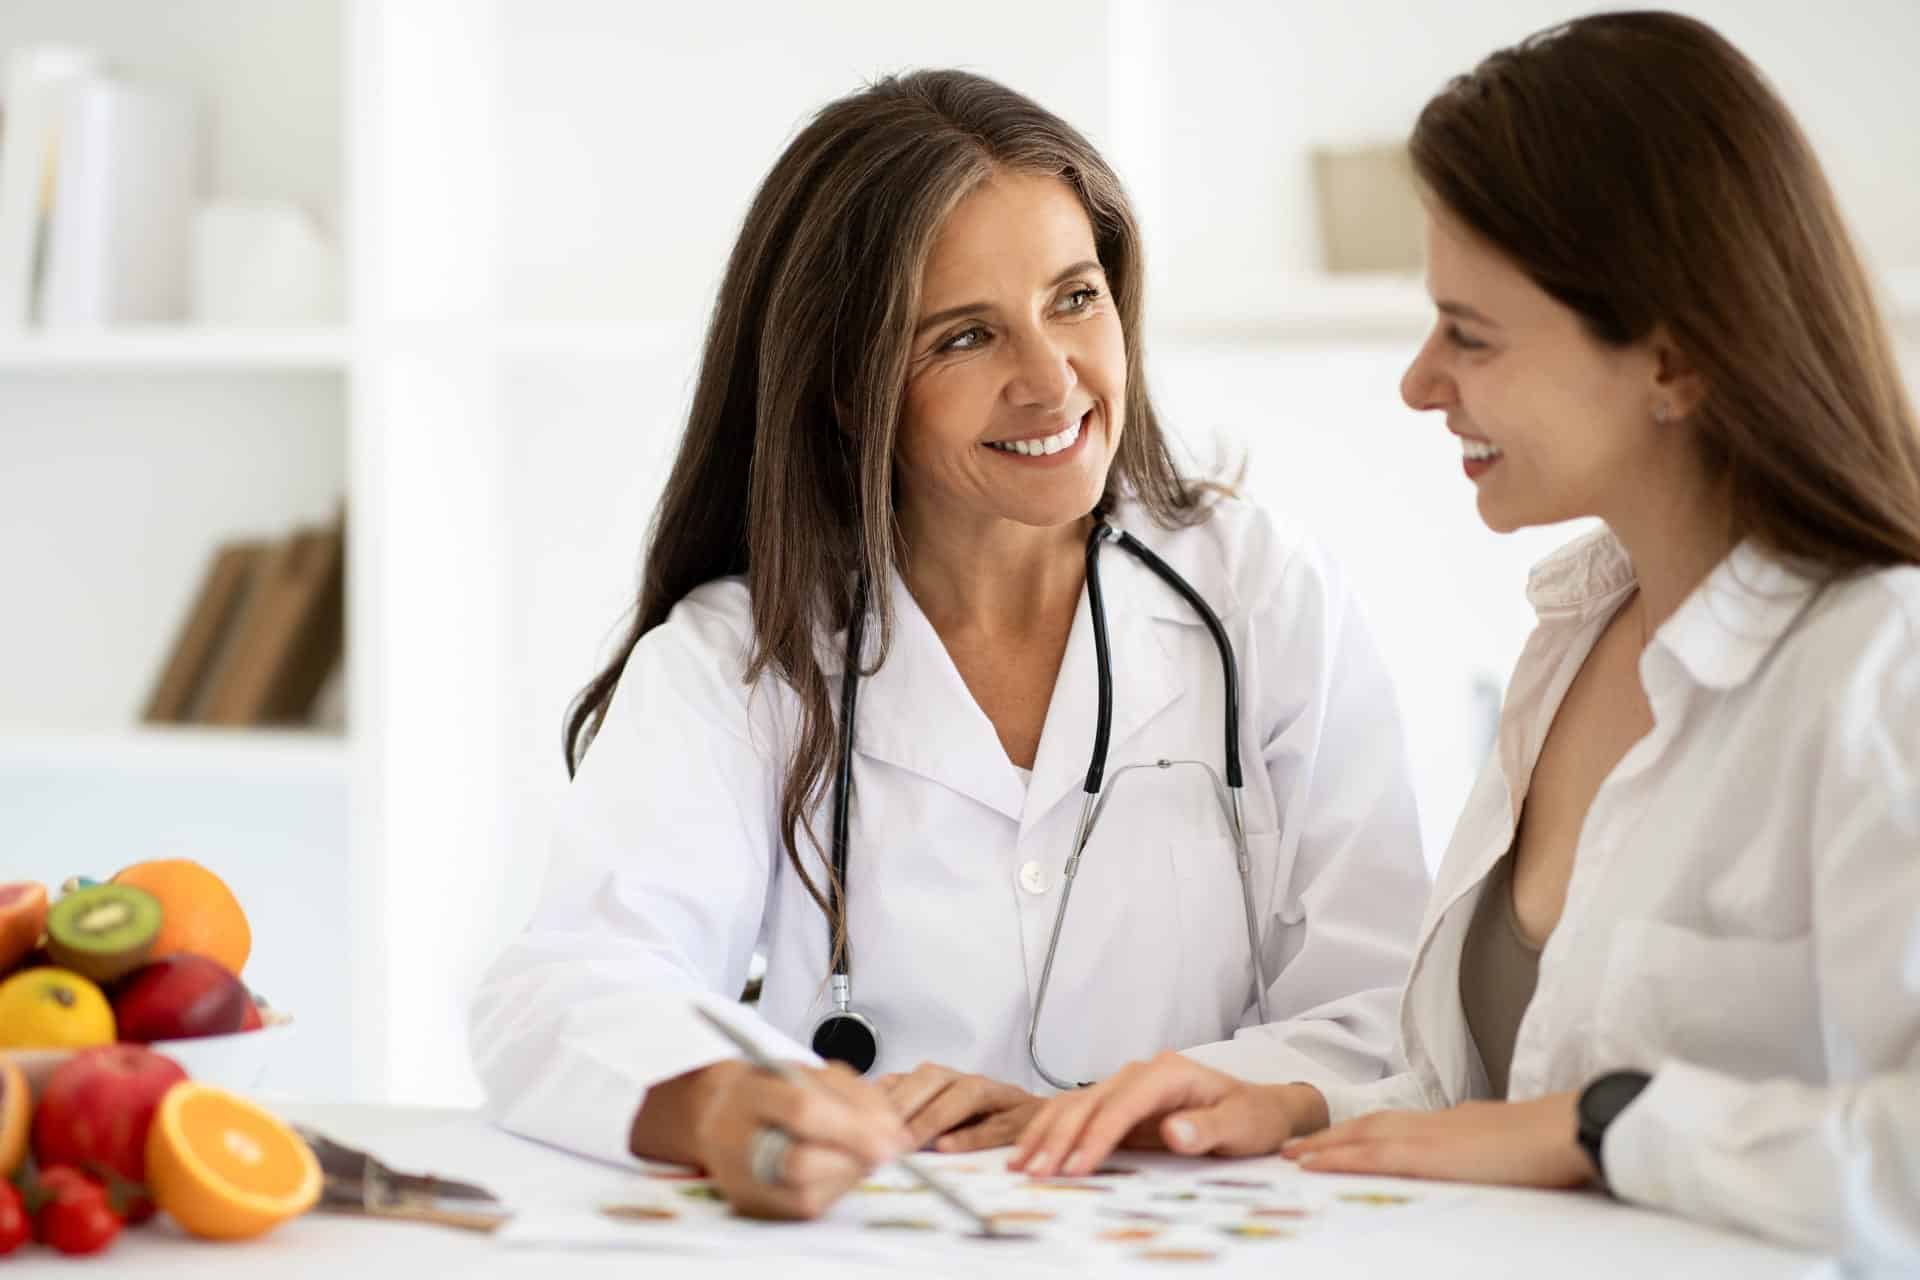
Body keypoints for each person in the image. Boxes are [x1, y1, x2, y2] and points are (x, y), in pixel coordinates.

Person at [1009, 12, 1920, 1267]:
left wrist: (1612, 1130)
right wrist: (1287, 1096)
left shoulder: (1884, 670)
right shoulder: (1578, 638)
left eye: (1470, 333)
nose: (1420, 381)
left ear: (1675, 356)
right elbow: (1493, 1090)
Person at [468, 69, 1430, 1220]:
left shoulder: (1256, 593)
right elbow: (566, 988)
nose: (1050, 378)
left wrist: (1177, 1094)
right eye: (966, 336)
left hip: (1196, 1228)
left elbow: (1390, 1002)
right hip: (873, 1229)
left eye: (1075, 298)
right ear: (845, 387)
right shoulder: (743, 656)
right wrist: (722, 1102)